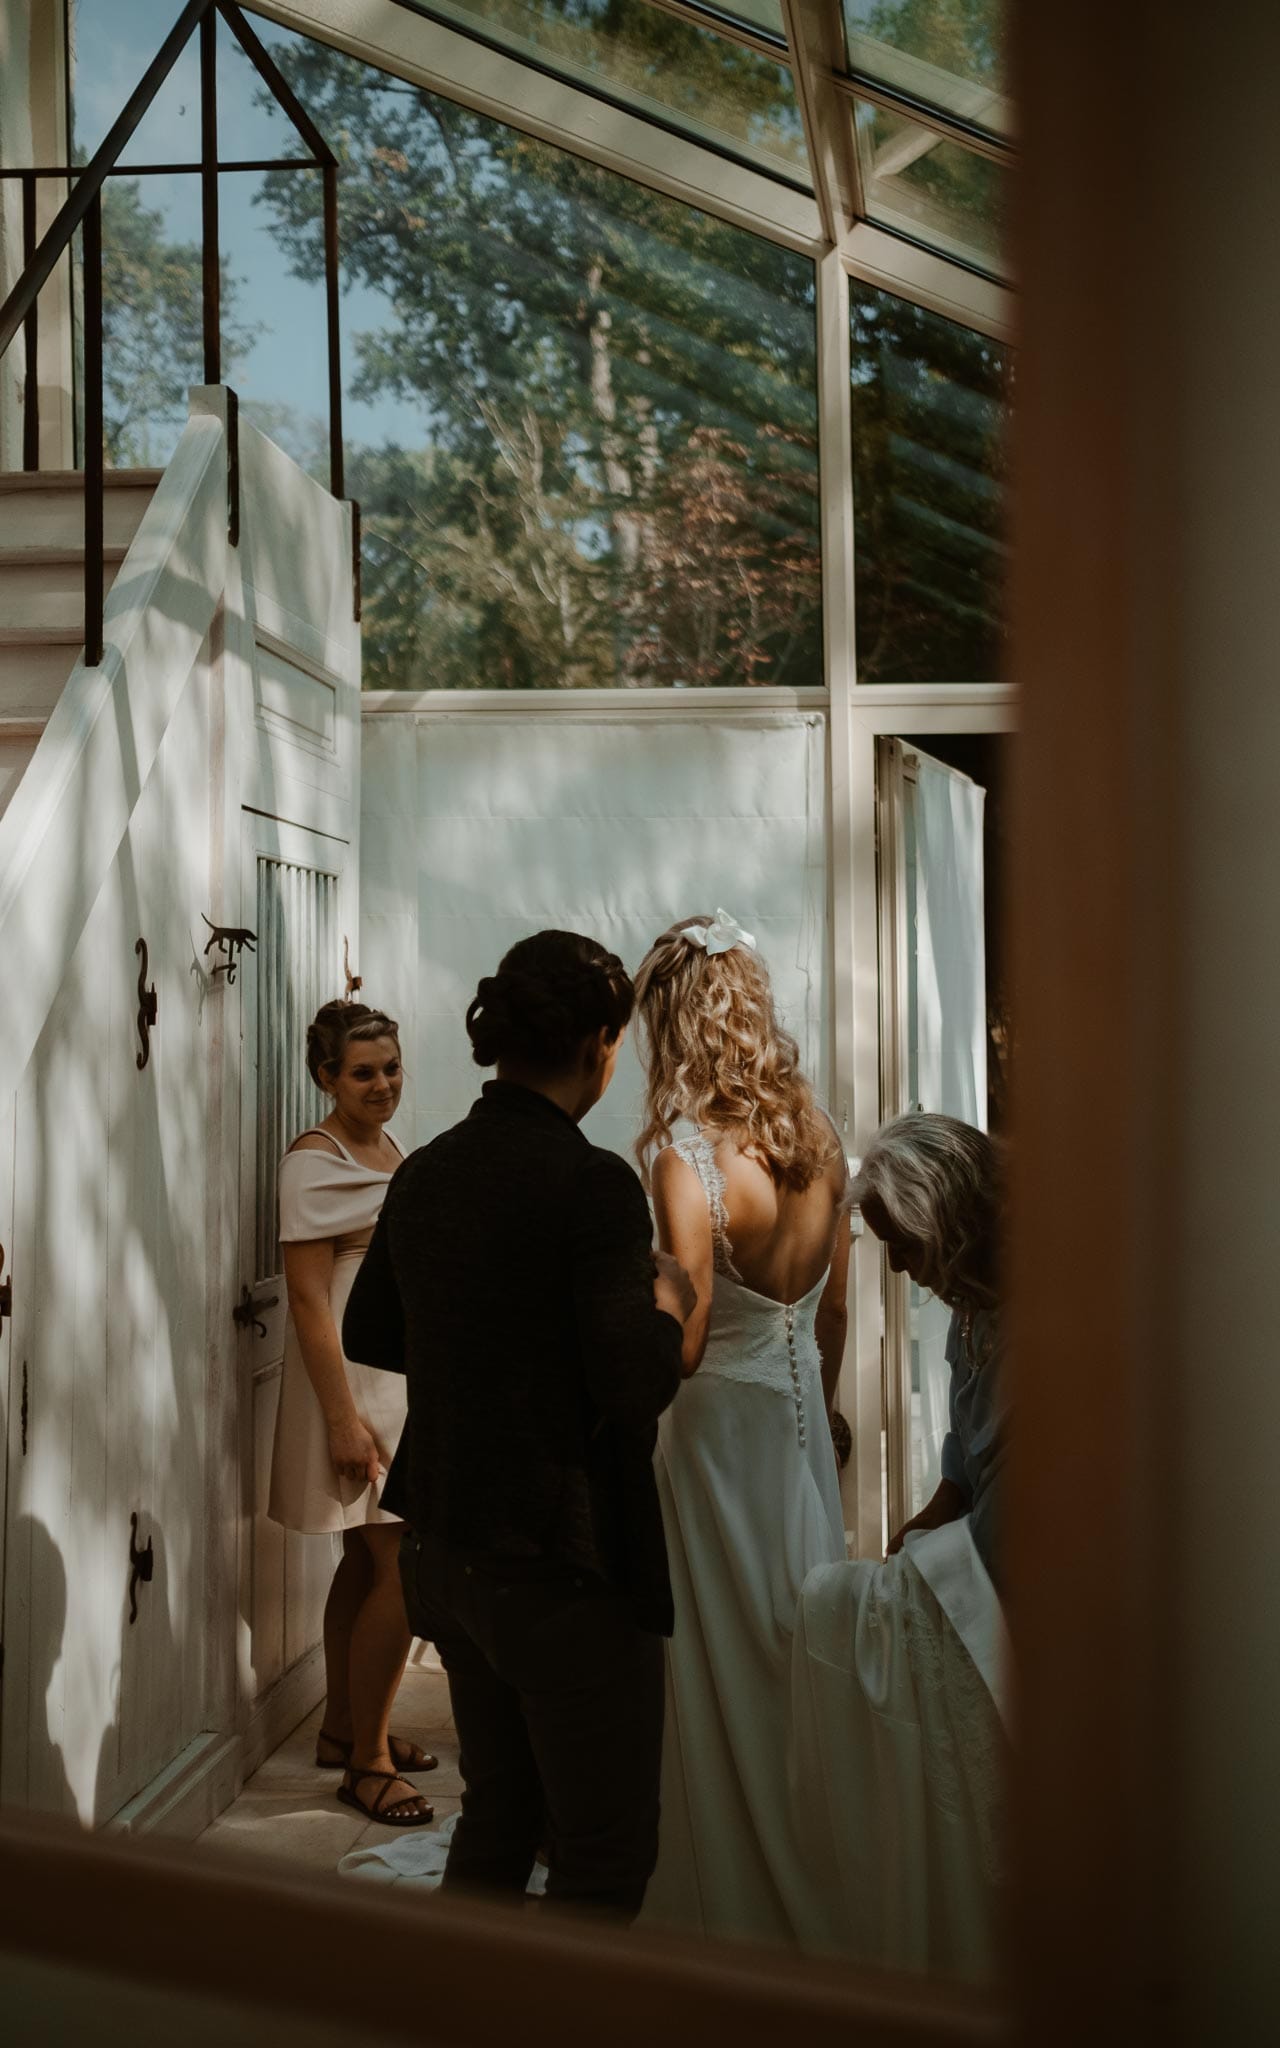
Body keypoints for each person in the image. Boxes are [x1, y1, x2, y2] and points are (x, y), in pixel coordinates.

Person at [342, 931, 692, 1920]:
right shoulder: (590, 1186)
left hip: (446, 1549)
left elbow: (374, 1325)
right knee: (600, 1855)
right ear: (598, 1042)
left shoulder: (430, 1170)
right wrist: (666, 1304)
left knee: (496, 1815)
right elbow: (632, 1385)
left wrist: (484, 1346)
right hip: (556, 1558)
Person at [630, 909, 850, 1945]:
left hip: (716, 1424)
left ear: (673, 1021)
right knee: (796, 1636)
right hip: (799, 1401)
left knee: (725, 1653)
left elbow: (686, 1325)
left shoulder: (683, 1155)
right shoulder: (817, 1135)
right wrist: (820, 1397)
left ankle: (740, 1881)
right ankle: (818, 1856)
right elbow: (836, 1311)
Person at [791, 1111, 1010, 1980]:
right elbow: (967, 1452)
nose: (903, 1270)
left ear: (947, 1225)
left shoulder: (1053, 1311)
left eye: (906, 1249)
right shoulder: (969, 1318)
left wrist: (942, 1565)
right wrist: (932, 1512)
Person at [267, 1000, 434, 1829]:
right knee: (403, 1567)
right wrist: (341, 1420)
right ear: (326, 1077)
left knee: (365, 1564)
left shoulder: (391, 1147)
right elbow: (304, 1298)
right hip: (351, 1385)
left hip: (390, 1378)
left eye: (392, 1069)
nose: (382, 1085)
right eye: (363, 1072)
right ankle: (367, 1764)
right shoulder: (312, 1160)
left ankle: (343, 1727)